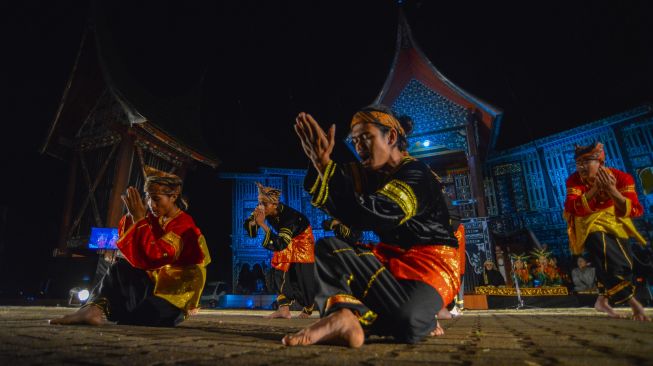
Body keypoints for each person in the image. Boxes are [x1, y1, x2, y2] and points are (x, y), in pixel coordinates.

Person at [285, 105, 461, 347]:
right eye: (355, 141)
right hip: (389, 261)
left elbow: (372, 214)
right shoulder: (370, 175)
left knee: (408, 322)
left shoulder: (415, 173)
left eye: (365, 138)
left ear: (390, 137)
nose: (358, 147)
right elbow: (337, 189)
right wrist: (319, 162)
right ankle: (342, 316)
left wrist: (326, 165)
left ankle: (419, 317)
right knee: (330, 248)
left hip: (431, 265)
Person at [50, 166, 211, 326]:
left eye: (156, 199)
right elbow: (133, 251)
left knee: (137, 319)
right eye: (148, 198)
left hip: (175, 293)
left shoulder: (185, 226)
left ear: (174, 196)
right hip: (155, 281)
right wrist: (133, 216)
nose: (151, 205)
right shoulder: (156, 218)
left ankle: (150, 313)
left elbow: (155, 257)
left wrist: (139, 220)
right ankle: (91, 310)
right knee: (120, 267)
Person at [563, 142, 649, 320]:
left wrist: (611, 190)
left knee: (624, 263)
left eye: (587, 162)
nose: (581, 167)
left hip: (615, 220)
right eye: (579, 163)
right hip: (587, 222)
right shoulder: (574, 180)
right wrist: (595, 189)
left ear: (600, 162)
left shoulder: (622, 178)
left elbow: (635, 210)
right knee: (606, 255)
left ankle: (602, 301)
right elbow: (572, 207)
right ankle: (635, 304)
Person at [244, 183, 317, 319]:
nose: (261, 207)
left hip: (302, 240)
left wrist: (263, 225)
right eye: (260, 203)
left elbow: (281, 243)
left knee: (302, 276)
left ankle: (308, 307)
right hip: (283, 240)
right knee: (279, 266)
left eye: (264, 204)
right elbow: (251, 229)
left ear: (274, 205)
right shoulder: (264, 210)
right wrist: (255, 221)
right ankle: (284, 309)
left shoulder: (289, 218)